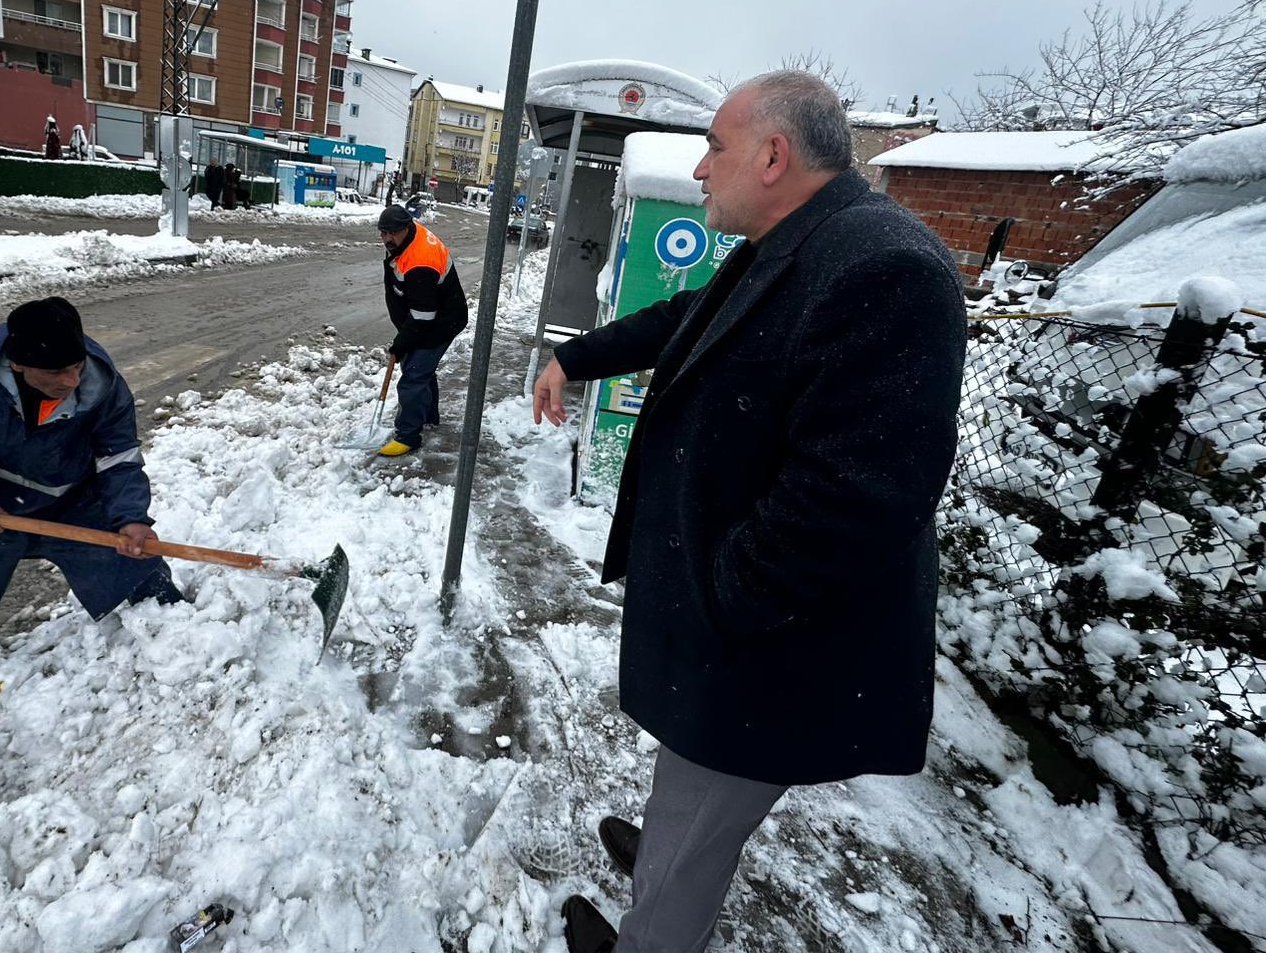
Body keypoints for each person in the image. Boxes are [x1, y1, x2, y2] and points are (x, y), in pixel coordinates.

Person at [532, 72, 968, 953]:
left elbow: (856, 500)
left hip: (768, 649)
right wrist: (576, 359)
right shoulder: (791, 244)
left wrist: (721, 598)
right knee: (687, 792)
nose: (698, 170)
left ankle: (655, 926)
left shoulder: (884, 268)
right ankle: (665, 844)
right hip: (736, 626)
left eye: (715, 148)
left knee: (698, 829)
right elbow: (682, 318)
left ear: (773, 156)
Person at [0, 296, 183, 692]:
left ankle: (179, 622)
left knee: (133, 561)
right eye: (58, 371)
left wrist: (131, 517)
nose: (73, 382)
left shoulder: (103, 386)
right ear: (18, 363)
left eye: (77, 366)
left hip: (72, 499)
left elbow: (119, 456)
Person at [376, 205, 469, 457]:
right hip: (427, 315)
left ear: (406, 228)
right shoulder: (409, 238)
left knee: (414, 374)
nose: (387, 239)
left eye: (392, 233)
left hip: (441, 321)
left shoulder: (421, 262)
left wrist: (401, 342)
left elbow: (423, 317)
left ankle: (408, 436)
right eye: (383, 233)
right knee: (419, 368)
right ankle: (428, 416)